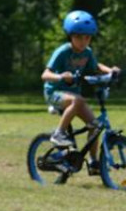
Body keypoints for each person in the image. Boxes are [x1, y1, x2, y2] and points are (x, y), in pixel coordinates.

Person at [41, 10, 119, 174]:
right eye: (79, 37)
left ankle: (94, 162)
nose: (83, 41)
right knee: (78, 100)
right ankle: (59, 133)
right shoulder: (63, 52)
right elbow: (45, 75)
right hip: (54, 93)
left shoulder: (87, 52)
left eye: (87, 37)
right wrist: (61, 76)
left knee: (95, 126)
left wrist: (110, 71)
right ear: (71, 36)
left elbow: (96, 67)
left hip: (75, 97)